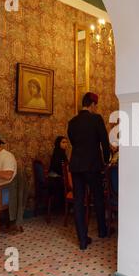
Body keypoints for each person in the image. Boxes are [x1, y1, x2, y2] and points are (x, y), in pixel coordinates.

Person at [67, 92, 110, 250]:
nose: (95, 108)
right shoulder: (96, 119)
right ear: (92, 104)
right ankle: (102, 231)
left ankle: (83, 240)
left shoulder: (72, 122)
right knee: (98, 198)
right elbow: (104, 143)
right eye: (95, 105)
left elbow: (72, 142)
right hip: (92, 165)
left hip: (76, 166)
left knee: (79, 202)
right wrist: (106, 160)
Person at [48, 136, 69, 211]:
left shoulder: (60, 152)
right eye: (63, 142)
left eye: (66, 142)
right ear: (58, 143)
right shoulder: (58, 153)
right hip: (55, 180)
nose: (65, 144)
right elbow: (58, 168)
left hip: (55, 178)